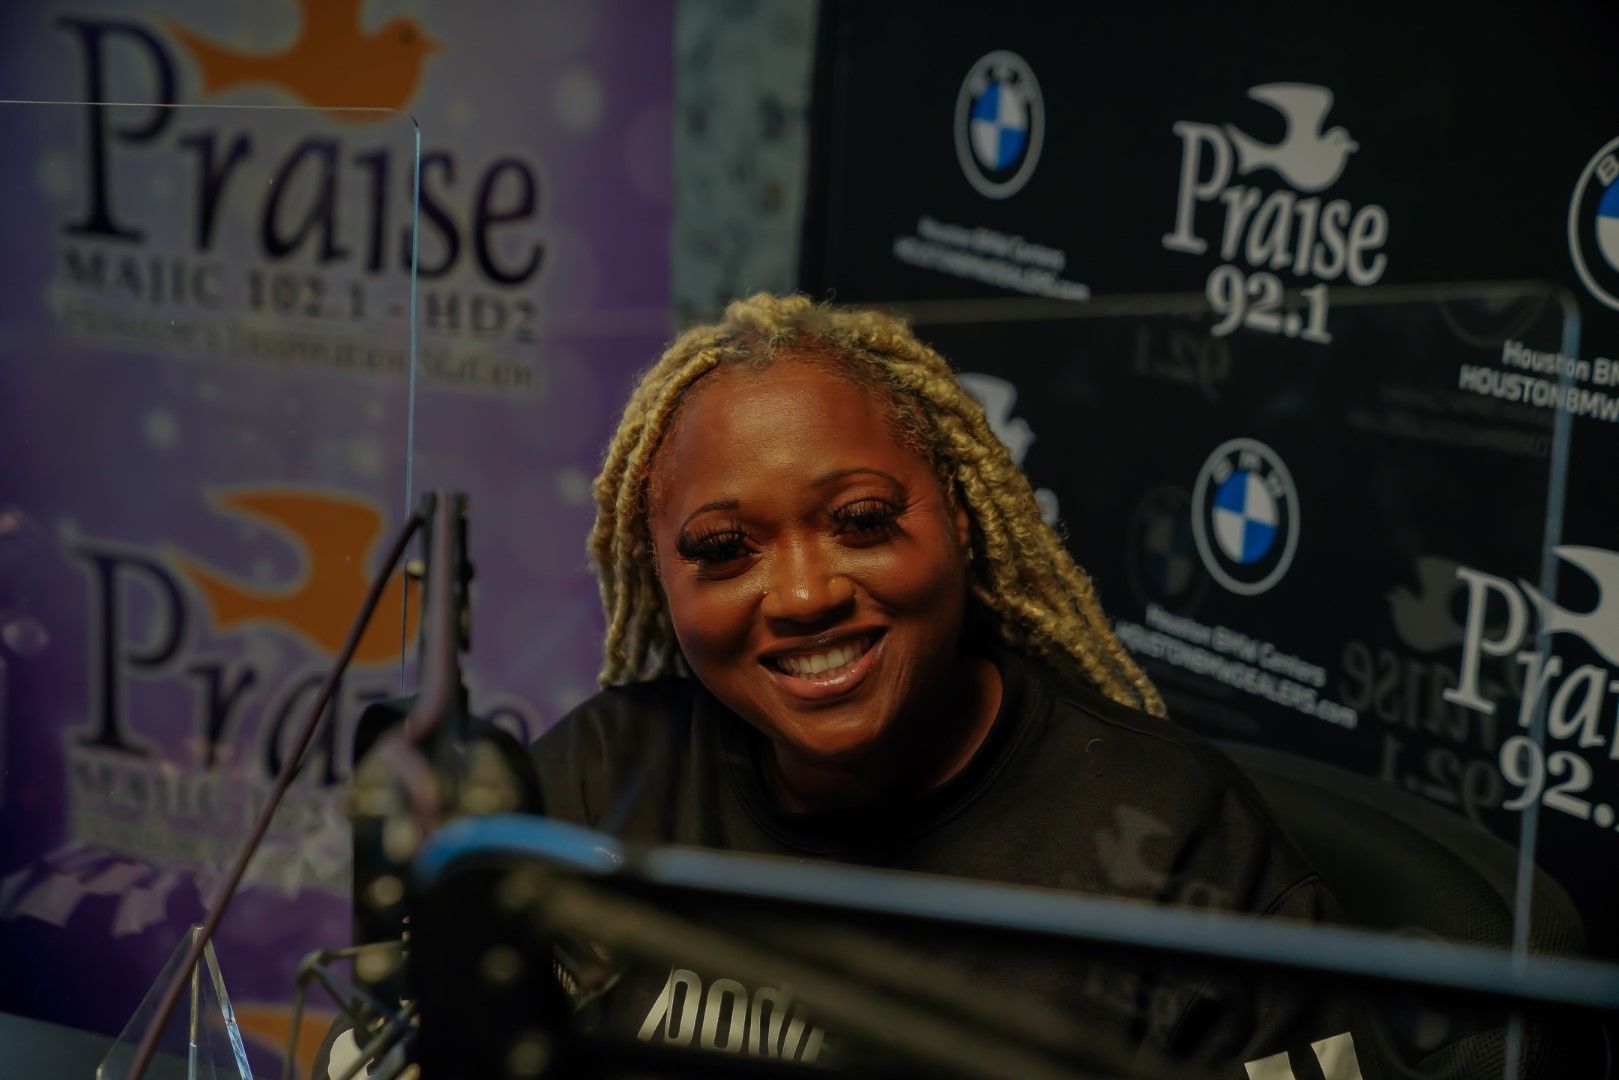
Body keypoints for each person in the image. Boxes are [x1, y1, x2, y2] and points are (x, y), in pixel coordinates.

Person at [530, 293, 1371, 1077]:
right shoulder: (600, 779)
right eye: (722, 549)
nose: (802, 594)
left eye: (860, 522)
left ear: (959, 524)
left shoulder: (1173, 840)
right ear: (660, 580)